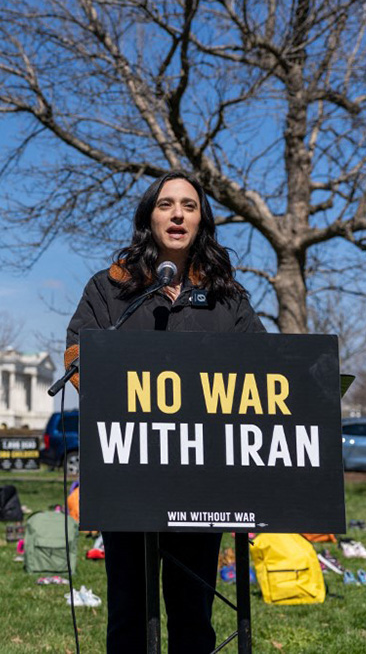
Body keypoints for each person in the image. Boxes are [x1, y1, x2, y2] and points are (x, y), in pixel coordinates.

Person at [65, 171, 264, 653]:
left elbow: (264, 371)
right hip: (128, 474)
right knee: (129, 612)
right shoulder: (109, 288)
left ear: (202, 220)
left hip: (203, 478)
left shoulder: (227, 295)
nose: (178, 214)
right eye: (166, 204)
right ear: (149, 216)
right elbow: (77, 358)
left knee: (193, 613)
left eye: (189, 206)